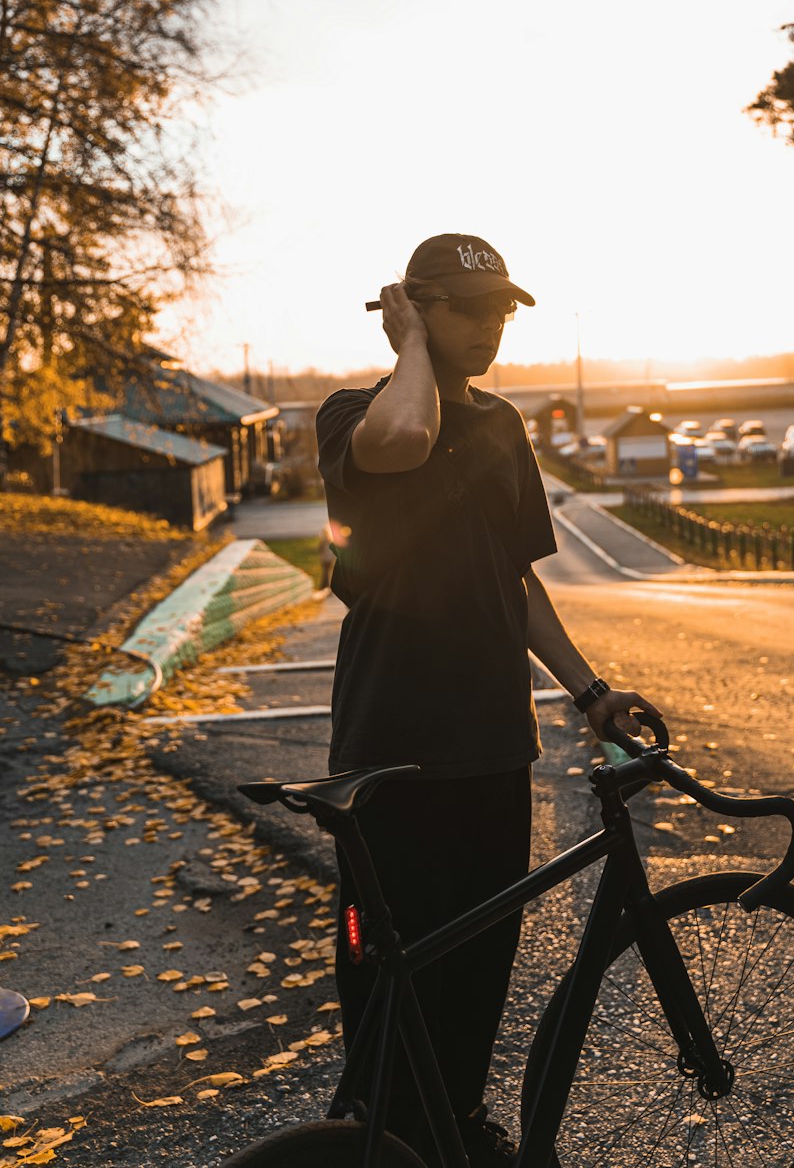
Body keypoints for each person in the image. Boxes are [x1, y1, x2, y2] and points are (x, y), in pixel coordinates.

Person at [316, 233, 662, 1165]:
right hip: (392, 743)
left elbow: (516, 582)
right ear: (414, 310)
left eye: (501, 310)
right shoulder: (354, 412)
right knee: (390, 964)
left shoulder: (505, 426)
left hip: (494, 741)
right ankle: (382, 1134)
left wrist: (589, 691)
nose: (490, 328)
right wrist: (410, 351)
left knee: (481, 959)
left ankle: (457, 1124)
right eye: (466, 310)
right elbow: (405, 440)